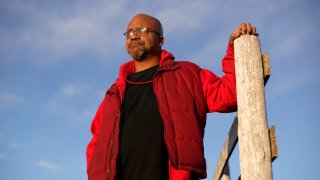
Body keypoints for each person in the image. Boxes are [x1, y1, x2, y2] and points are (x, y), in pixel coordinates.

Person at [86, 14, 257, 180]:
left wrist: (234, 50)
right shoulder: (114, 93)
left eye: (142, 30)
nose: (134, 36)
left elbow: (231, 95)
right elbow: (96, 141)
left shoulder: (188, 74)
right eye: (129, 32)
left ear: (161, 40)